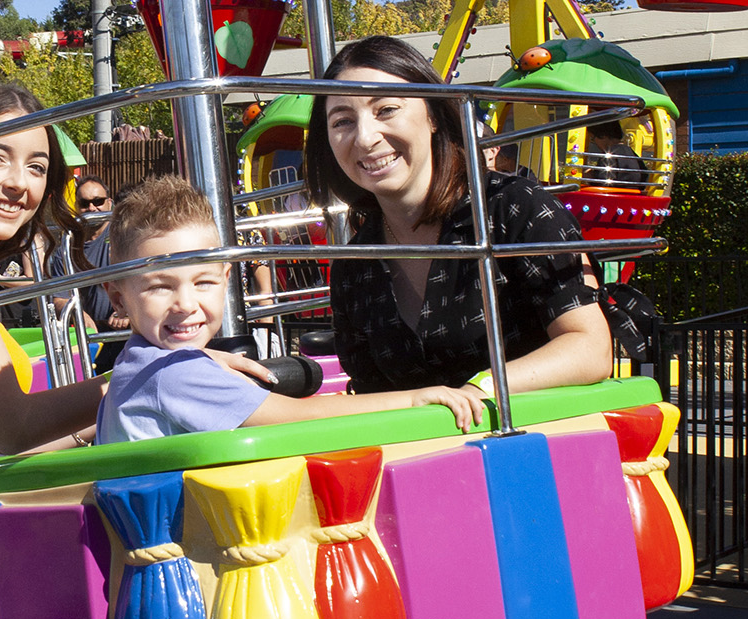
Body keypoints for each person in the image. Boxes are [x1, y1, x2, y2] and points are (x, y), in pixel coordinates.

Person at [0, 84, 271, 469]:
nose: (18, 183)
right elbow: (12, 429)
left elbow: (2, 442)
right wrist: (150, 377)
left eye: (36, 167)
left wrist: (143, 395)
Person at [304, 35, 611, 399]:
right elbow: (371, 393)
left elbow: (590, 348)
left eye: (386, 110)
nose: (366, 137)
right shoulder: (355, 264)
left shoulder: (511, 207)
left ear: (433, 114)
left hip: (536, 444)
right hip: (418, 453)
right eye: (342, 121)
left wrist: (478, 391)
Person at [96, 175, 482, 444]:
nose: (185, 304)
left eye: (203, 282)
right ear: (118, 298)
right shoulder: (174, 373)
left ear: (226, 278)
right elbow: (298, 419)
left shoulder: (135, 363)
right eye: (160, 287)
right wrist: (413, 398)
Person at [50, 174, 126, 372]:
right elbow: (59, 297)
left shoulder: (125, 237)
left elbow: (146, 280)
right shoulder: (67, 248)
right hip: (89, 337)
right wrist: (77, 313)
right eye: (85, 203)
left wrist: (128, 309)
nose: (92, 208)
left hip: (128, 333)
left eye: (98, 201)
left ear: (109, 203)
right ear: (76, 206)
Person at [585, 121, 644, 188]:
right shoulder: (631, 153)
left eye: (593, 139)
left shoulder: (609, 155)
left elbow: (603, 184)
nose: (595, 143)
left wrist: (591, 177)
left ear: (602, 136)